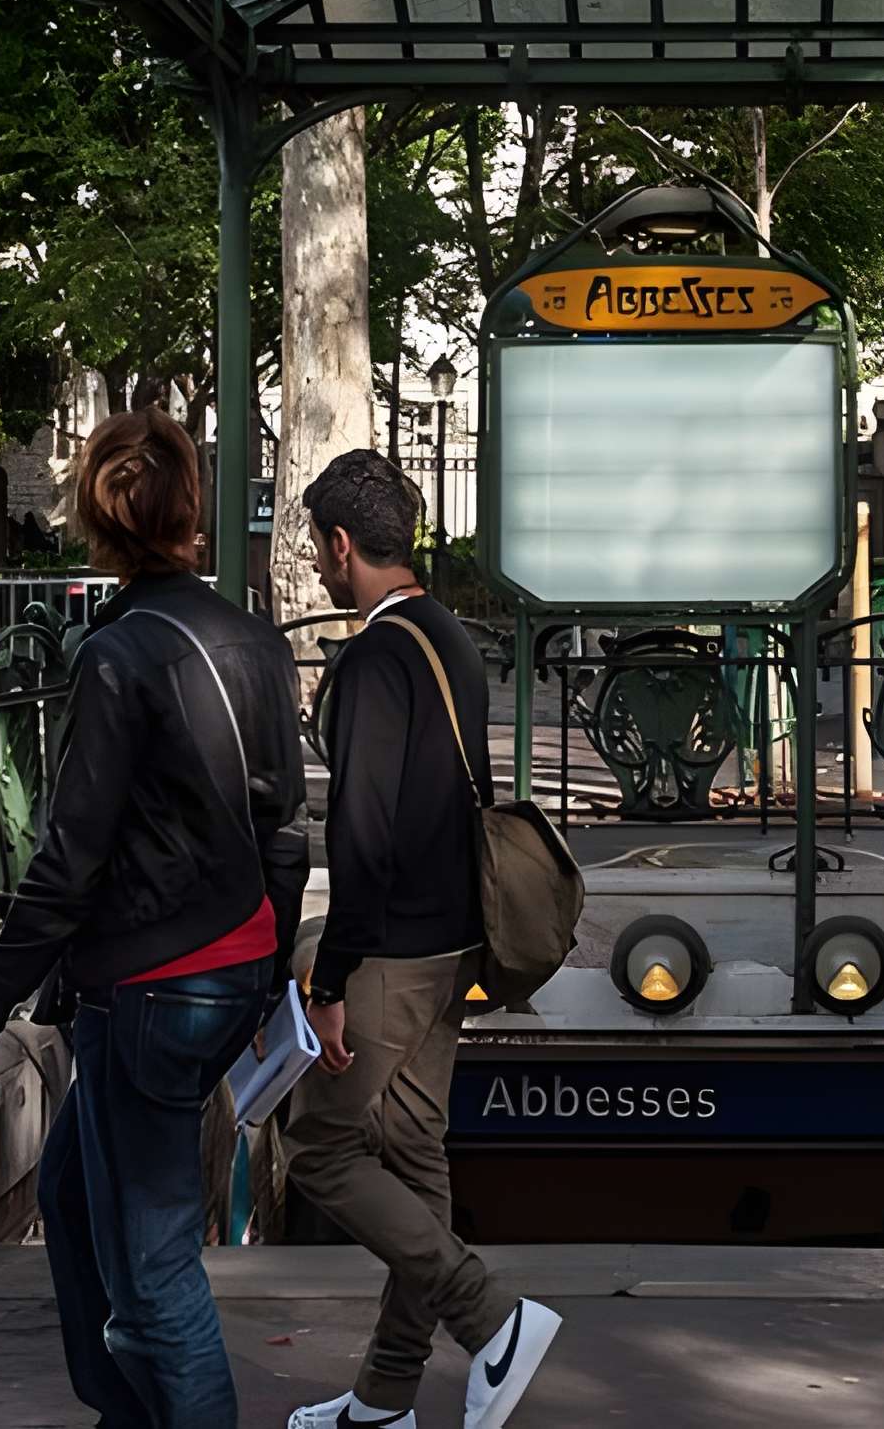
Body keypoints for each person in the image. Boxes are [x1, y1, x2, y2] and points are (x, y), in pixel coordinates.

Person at [0, 407, 309, 1429]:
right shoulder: (255, 639)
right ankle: (122, 1411)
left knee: (153, 1273)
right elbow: (286, 827)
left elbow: (69, 856)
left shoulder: (118, 656)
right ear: (193, 512)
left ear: (96, 525)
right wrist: (270, 969)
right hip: (230, 970)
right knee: (65, 1195)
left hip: (149, 986)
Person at [284, 450, 560, 1429]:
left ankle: (491, 1315)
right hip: (454, 944)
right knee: (410, 1154)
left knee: (316, 1150)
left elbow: (360, 833)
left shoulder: (371, 657)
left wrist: (331, 979)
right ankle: (386, 1396)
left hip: (391, 953)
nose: (317, 566)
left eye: (318, 547)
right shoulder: (446, 635)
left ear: (343, 542)